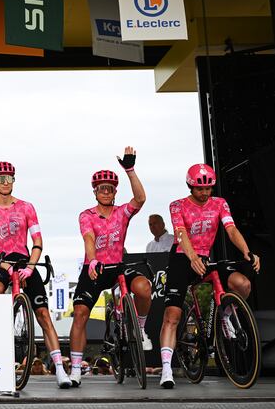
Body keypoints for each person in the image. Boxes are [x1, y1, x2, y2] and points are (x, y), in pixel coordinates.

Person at [157, 163, 261, 389]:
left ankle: (224, 312)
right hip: (182, 257)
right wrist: (192, 257)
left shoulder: (219, 204)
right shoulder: (178, 205)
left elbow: (231, 229)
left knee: (241, 284)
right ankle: (166, 369)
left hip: (204, 257)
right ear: (190, 186)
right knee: (172, 315)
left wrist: (246, 251)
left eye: (208, 189)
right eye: (199, 189)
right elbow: (180, 232)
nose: (205, 193)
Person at [0, 161, 71, 388]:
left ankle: (59, 368)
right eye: (0, 179)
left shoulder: (27, 207)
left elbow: (37, 240)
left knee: (43, 314)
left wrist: (31, 265)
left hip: (25, 262)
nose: (5, 182)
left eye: (9, 178)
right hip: (2, 263)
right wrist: (4, 267)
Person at [69, 147, 152, 387]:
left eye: (110, 188)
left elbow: (140, 199)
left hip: (118, 267)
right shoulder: (87, 215)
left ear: (115, 192)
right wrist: (92, 259)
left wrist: (130, 170)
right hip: (94, 268)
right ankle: (75, 370)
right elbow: (88, 239)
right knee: (81, 314)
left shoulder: (121, 213)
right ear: (95, 192)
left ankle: (141, 330)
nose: (106, 192)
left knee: (144, 288)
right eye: (101, 188)